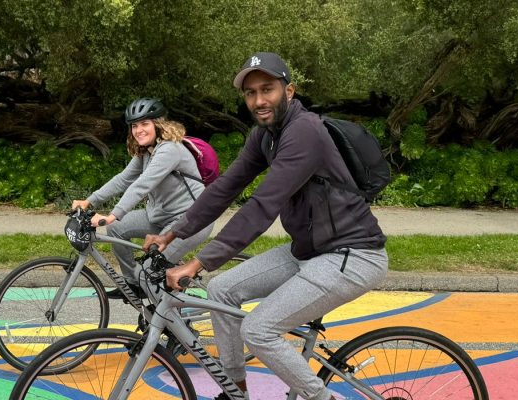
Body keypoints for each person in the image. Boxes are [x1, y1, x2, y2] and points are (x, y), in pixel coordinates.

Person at [145, 52, 388, 400]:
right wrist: (174, 232)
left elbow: (263, 206)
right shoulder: (266, 135)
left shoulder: (304, 132)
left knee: (259, 330)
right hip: (309, 250)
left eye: (267, 89)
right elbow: (227, 187)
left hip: (352, 255)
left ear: (289, 90)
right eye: (250, 93)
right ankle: (235, 392)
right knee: (221, 291)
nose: (259, 100)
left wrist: (199, 262)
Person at [71, 97, 214, 298]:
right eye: (134, 126)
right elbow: (123, 180)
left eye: (145, 124)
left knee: (149, 271)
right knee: (117, 229)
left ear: (158, 124)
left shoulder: (170, 149)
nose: (139, 130)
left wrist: (112, 214)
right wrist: (89, 201)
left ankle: (177, 322)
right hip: (160, 217)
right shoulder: (147, 151)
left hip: (190, 222)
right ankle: (134, 285)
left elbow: (142, 185)